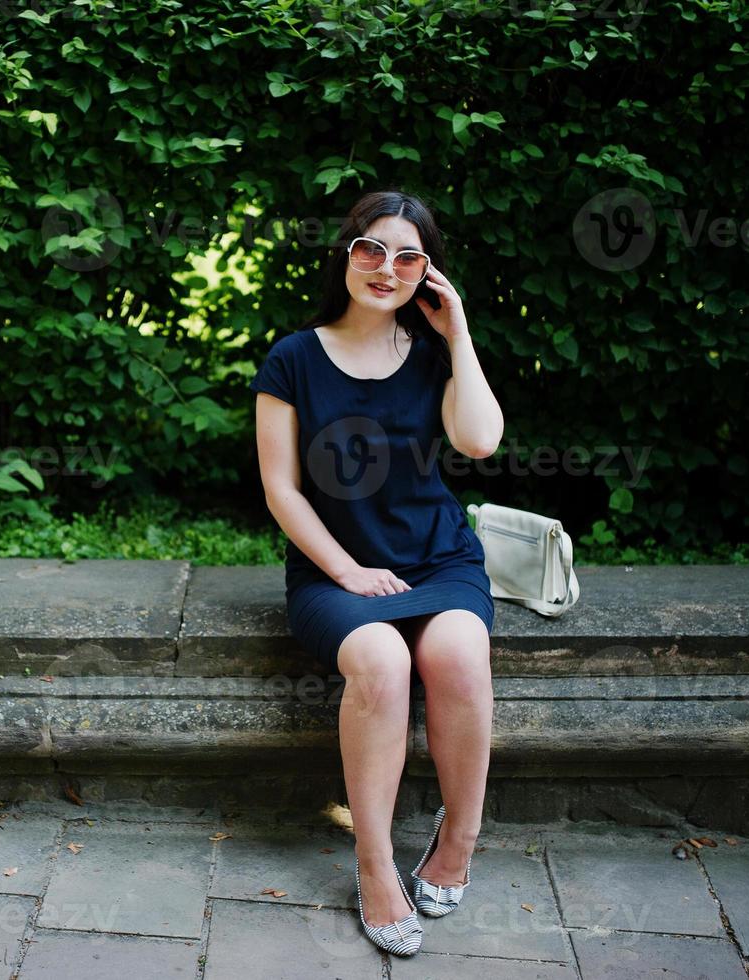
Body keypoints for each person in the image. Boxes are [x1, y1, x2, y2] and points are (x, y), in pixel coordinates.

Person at [249, 188, 503, 957]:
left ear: (427, 273)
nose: (385, 268)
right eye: (370, 249)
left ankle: (457, 840)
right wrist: (347, 570)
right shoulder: (291, 357)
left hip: (439, 557)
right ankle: (373, 864)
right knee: (384, 663)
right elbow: (281, 489)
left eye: (407, 257)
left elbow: (480, 442)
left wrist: (457, 336)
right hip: (333, 571)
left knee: (457, 654)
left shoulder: (431, 353)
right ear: (345, 253)